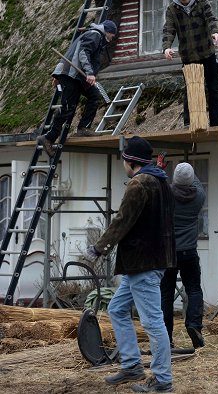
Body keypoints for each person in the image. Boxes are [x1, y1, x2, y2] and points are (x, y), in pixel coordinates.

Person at [84, 136, 176, 393]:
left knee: (152, 322)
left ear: (130, 161)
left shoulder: (139, 184)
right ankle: (132, 365)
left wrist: (99, 248)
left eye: (124, 159)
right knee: (117, 309)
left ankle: (162, 380)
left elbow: (122, 220)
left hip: (143, 262)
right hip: (150, 260)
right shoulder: (161, 181)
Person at [37, 20, 117, 157]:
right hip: (71, 74)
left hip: (78, 76)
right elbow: (83, 52)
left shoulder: (93, 36)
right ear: (108, 32)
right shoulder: (95, 35)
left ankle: (83, 128)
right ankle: (48, 137)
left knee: (94, 96)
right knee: (68, 107)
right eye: (112, 35)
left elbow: (72, 52)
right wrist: (90, 73)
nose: (112, 38)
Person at [162, 0, 218, 127]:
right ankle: (190, 122)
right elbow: (168, 29)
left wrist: (216, 32)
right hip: (188, 57)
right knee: (191, 90)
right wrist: (166, 47)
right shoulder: (172, 9)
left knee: (213, 89)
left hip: (207, 53)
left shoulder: (202, 2)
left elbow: (212, 19)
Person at [160, 162, 206, 349]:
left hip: (168, 252)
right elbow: (195, 180)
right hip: (189, 252)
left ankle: (166, 338)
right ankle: (194, 325)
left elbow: (158, 184)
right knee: (194, 290)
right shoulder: (200, 196)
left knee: (166, 295)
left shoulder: (166, 195)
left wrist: (161, 169)